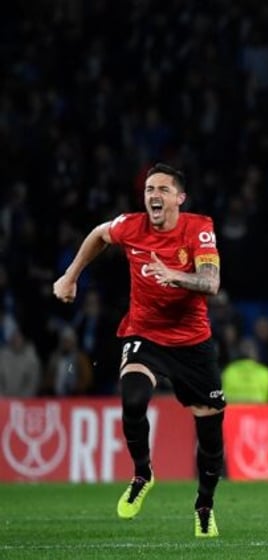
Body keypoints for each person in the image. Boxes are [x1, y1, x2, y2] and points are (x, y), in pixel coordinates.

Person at [52, 163, 225, 538]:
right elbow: (99, 235)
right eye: (149, 189)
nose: (153, 196)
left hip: (192, 342)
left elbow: (211, 283)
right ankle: (142, 474)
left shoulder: (199, 228)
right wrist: (70, 276)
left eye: (162, 189)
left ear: (180, 198)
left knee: (211, 435)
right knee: (132, 398)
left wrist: (176, 275)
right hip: (144, 333)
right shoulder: (131, 226)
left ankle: (204, 506)